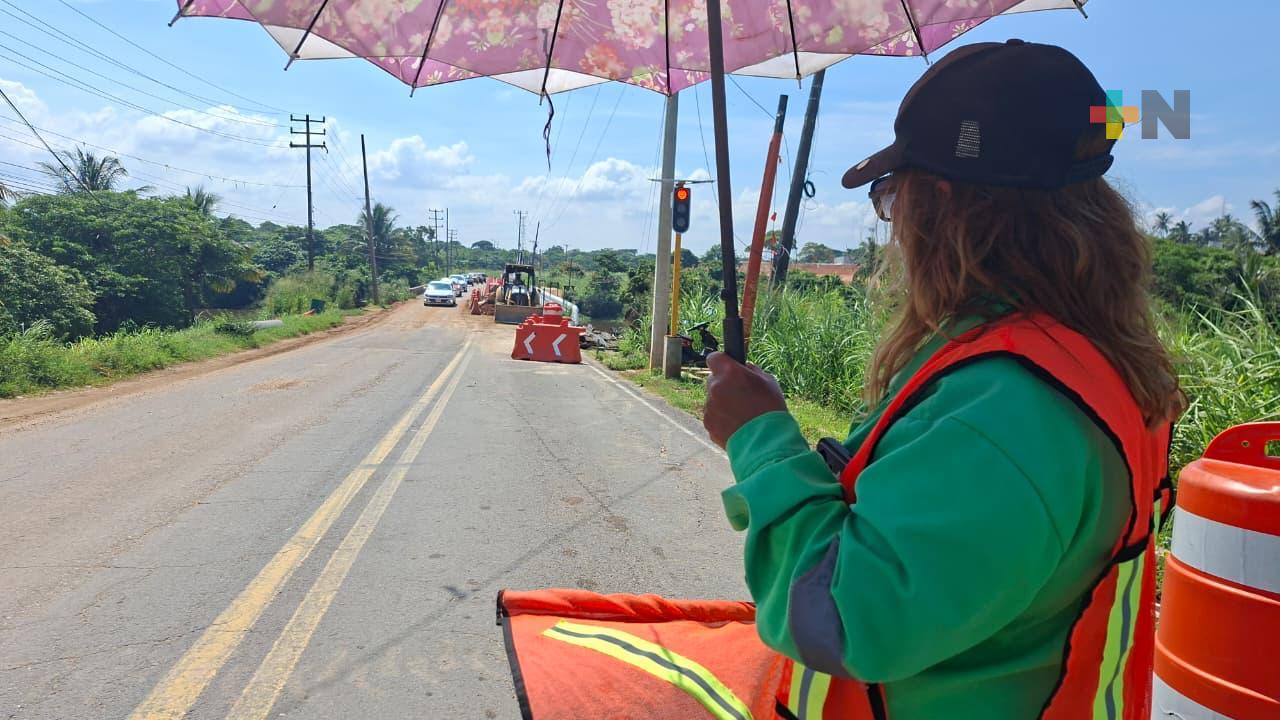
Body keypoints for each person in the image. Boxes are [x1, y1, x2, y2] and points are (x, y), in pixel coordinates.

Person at [703, 40, 1184, 719]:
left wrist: (759, 437)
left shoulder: (1008, 407)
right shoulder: (1071, 362)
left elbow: (845, 617)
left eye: (892, 197)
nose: (895, 227)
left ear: (941, 201)